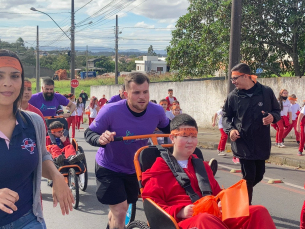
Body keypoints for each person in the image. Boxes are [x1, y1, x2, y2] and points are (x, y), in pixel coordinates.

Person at [141, 114, 276, 229]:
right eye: (184, 136)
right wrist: (180, 211)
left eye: (193, 136)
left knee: (258, 211)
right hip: (182, 222)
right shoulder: (158, 170)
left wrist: (222, 201)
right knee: (204, 219)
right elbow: (153, 207)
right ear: (172, 138)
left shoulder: (202, 166)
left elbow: (217, 194)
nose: (190, 141)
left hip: (212, 214)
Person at [84, 72, 171, 229]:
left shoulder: (157, 111)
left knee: (118, 212)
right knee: (120, 211)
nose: (142, 97)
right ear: (126, 94)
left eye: (145, 92)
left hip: (134, 168)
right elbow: (89, 133)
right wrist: (100, 139)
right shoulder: (110, 111)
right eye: (136, 92)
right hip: (109, 166)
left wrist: (186, 133)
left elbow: (170, 128)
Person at [0, 49, 74, 228]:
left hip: (28, 219)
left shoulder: (34, 122)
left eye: (15, 76)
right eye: (0, 76)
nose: (7, 83)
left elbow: (42, 155)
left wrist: (56, 175)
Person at [222, 63, 281, 205]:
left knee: (259, 176)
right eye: (232, 79)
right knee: (249, 177)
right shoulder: (233, 96)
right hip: (242, 141)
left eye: (235, 78)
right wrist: (230, 130)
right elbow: (225, 116)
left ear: (246, 76)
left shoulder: (265, 92)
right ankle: (245, 209)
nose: (233, 82)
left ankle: (232, 197)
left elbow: (277, 111)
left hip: (261, 141)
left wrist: (273, 117)